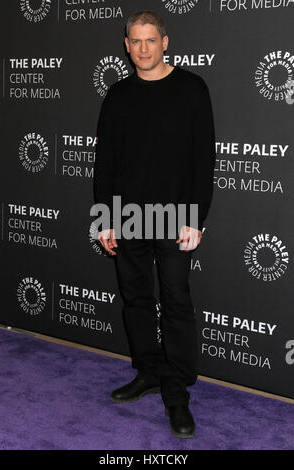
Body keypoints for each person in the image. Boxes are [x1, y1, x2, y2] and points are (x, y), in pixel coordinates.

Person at [93, 10, 216, 439]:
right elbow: (104, 163)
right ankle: (148, 370)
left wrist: (196, 218)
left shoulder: (191, 89)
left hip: (176, 217)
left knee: (176, 301)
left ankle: (176, 390)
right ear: (126, 46)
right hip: (127, 216)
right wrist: (105, 218)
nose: (143, 48)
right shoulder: (118, 96)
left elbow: (204, 161)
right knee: (136, 299)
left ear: (165, 42)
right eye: (135, 41)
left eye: (151, 40)